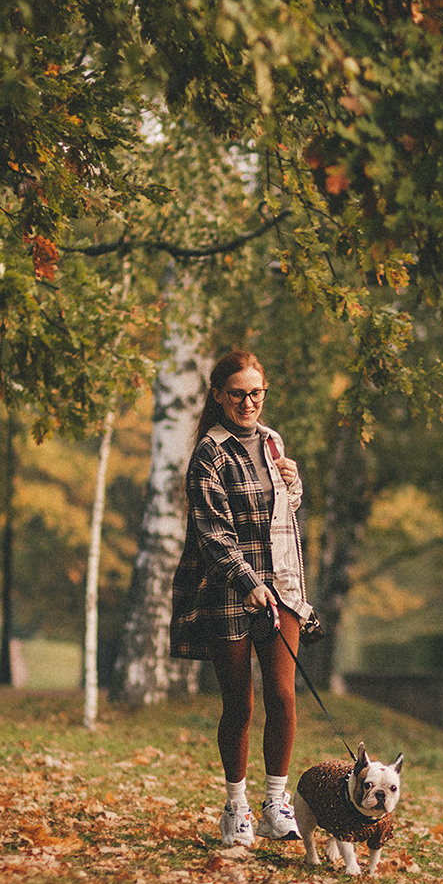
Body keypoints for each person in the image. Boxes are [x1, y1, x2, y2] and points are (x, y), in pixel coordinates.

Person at [169, 351, 316, 847]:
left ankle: (277, 805)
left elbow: (283, 514)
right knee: (240, 703)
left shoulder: (273, 442)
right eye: (237, 393)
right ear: (218, 395)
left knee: (283, 694)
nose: (248, 402)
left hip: (282, 586)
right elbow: (211, 531)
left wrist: (293, 485)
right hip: (227, 589)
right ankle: (236, 808)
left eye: (256, 392)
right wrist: (246, 580)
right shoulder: (210, 453)